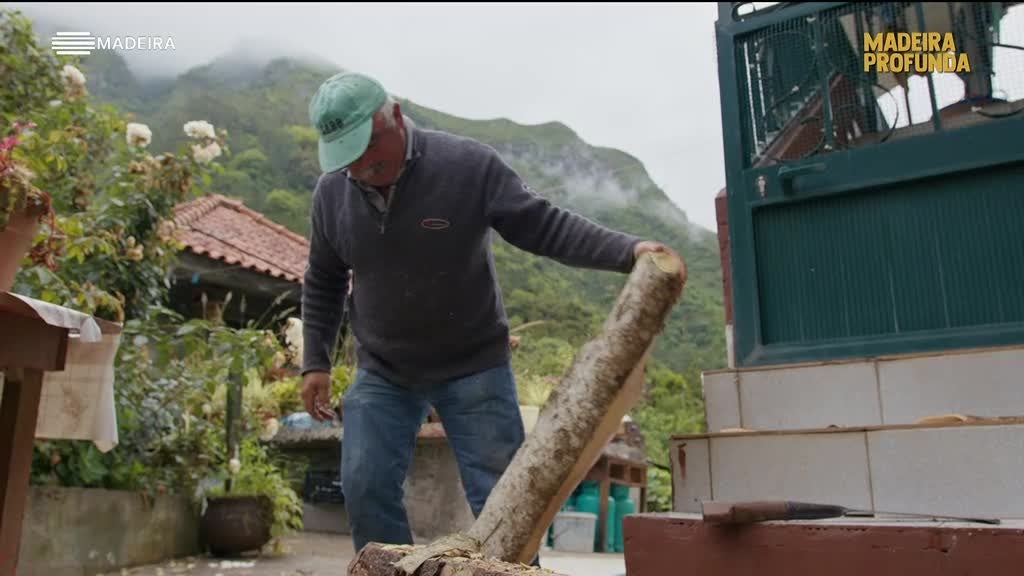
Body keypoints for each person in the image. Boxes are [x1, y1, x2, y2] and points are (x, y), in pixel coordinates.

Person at [299, 71, 684, 554]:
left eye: (368, 147)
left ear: (395, 116)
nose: (360, 166)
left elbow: (544, 226)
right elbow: (324, 279)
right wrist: (315, 360)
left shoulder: (466, 165)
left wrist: (628, 250)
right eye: (347, 157)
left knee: (505, 504)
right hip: (384, 369)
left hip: (473, 364)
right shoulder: (332, 193)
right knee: (364, 487)